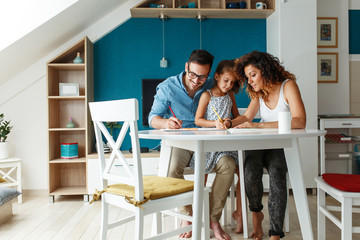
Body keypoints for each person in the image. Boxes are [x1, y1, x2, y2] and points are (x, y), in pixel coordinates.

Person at [148, 50, 236, 240]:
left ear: (210, 73)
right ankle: (188, 215)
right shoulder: (167, 87)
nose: (196, 80)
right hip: (181, 140)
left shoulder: (215, 84)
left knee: (229, 164)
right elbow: (152, 118)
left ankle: (213, 219)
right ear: (186, 67)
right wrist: (165, 123)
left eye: (202, 76)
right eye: (193, 74)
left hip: (210, 143)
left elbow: (231, 98)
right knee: (172, 169)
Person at [232, 51, 306, 240]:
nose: (250, 81)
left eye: (253, 75)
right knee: (249, 174)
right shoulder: (259, 93)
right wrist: (228, 122)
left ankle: (275, 232)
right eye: (247, 77)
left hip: (280, 146)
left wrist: (259, 125)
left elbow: (299, 121)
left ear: (265, 70)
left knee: (277, 177)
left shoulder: (288, 86)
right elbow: (247, 117)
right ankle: (257, 215)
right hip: (259, 144)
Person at [192, 59, 244, 234]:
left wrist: (230, 122)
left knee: (241, 171)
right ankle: (198, 216)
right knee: (202, 178)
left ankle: (231, 214)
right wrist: (215, 124)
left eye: (233, 82)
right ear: (217, 76)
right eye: (226, 81)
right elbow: (198, 120)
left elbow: (237, 116)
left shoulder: (230, 95)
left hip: (226, 146)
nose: (229, 85)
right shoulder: (206, 95)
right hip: (209, 144)